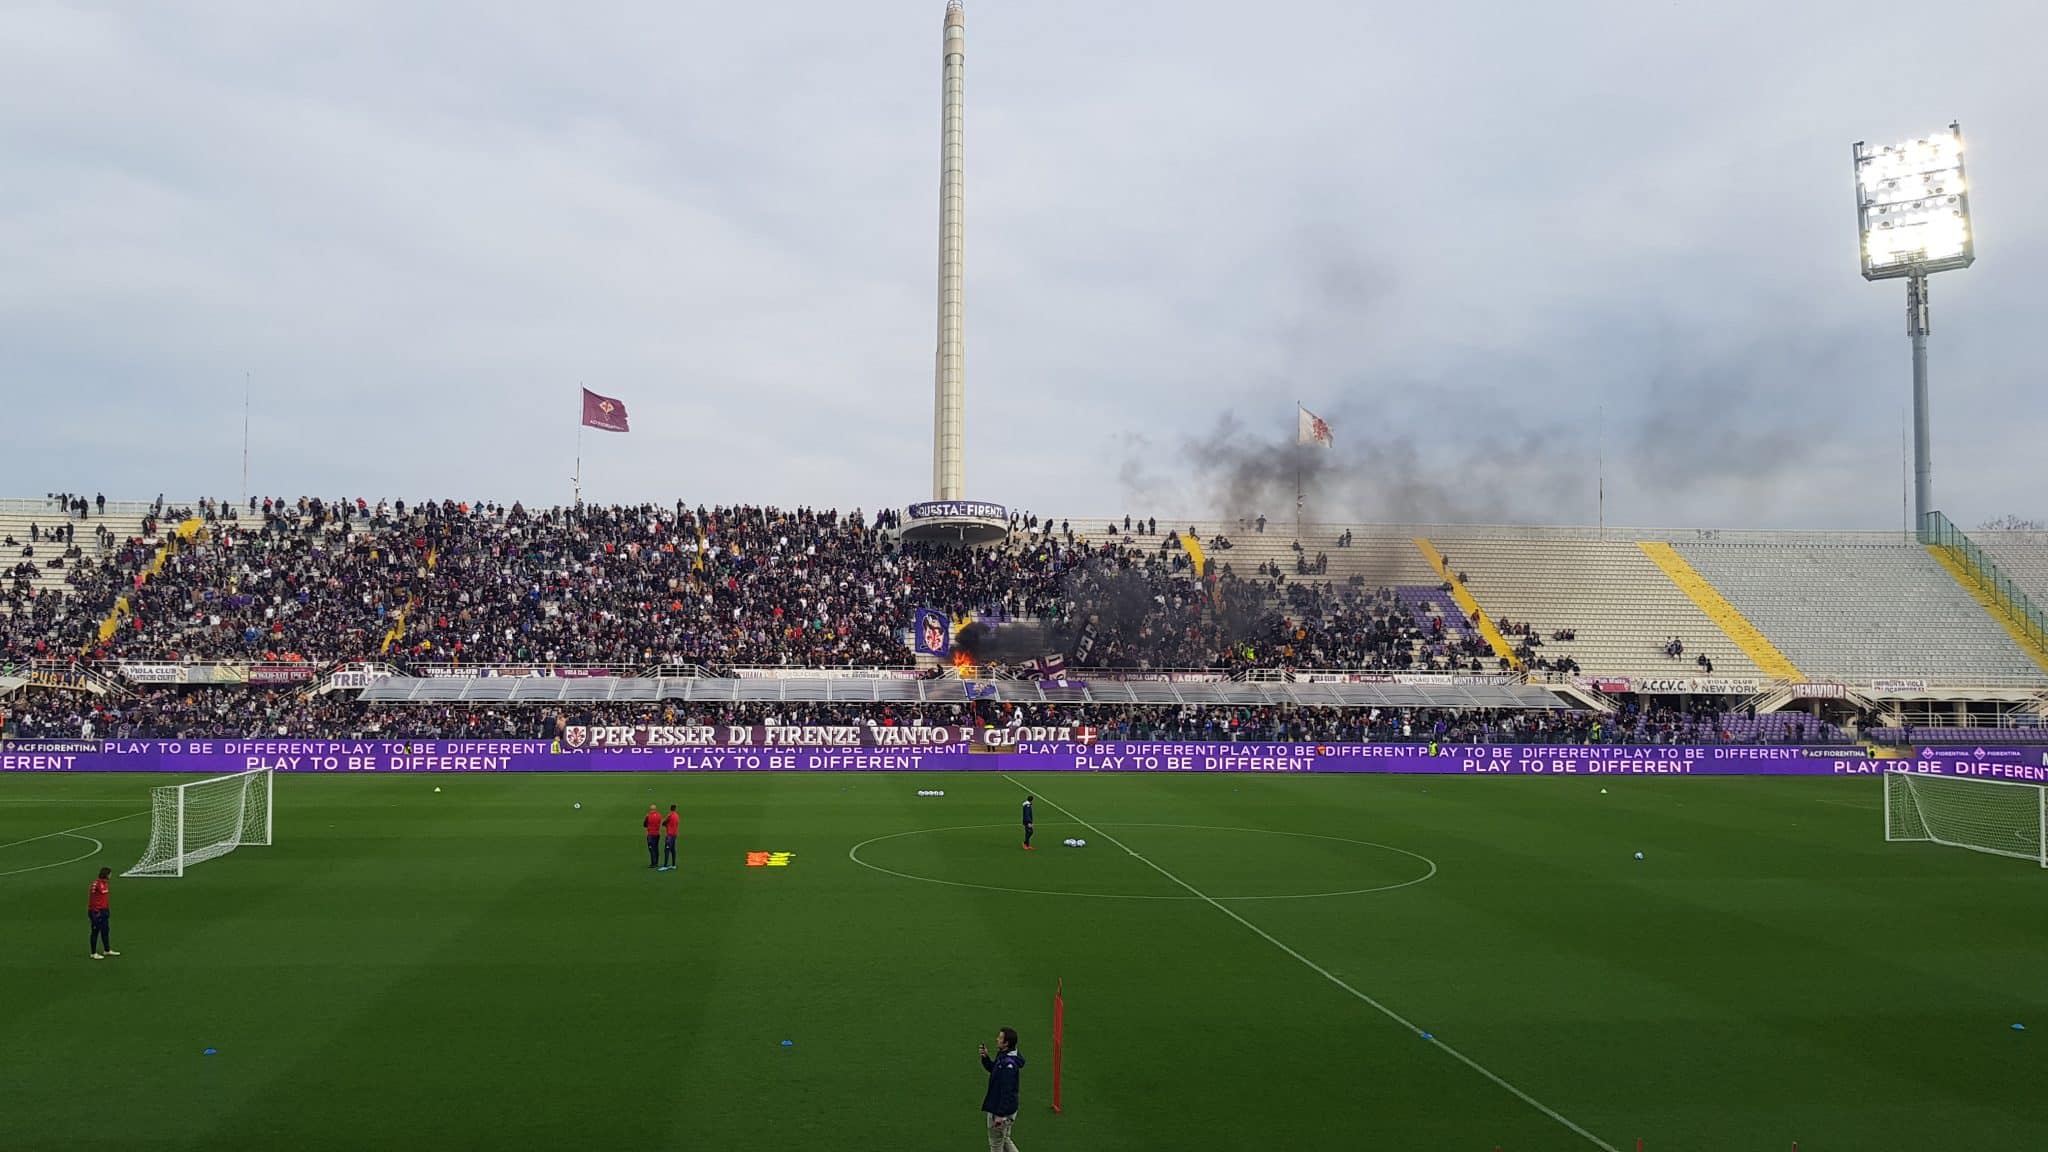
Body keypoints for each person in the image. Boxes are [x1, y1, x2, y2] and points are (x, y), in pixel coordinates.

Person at [979, 1027, 1025, 1152]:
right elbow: (995, 1070)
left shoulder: (1007, 1065)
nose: (997, 1039)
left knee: (996, 1145)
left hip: (1000, 1111)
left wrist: (1000, 1115)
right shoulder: (1007, 1056)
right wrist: (986, 1058)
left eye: (1000, 1038)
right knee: (1004, 1139)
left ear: (1006, 1043)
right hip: (1007, 1109)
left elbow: (1007, 1092)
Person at [88, 867, 118, 960]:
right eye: (110, 874)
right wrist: (95, 912)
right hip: (96, 912)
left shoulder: (104, 883)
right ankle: (93, 953)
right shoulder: (97, 884)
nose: (111, 876)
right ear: (106, 874)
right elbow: (93, 898)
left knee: (105, 931)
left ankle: (107, 950)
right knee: (95, 932)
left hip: (104, 911)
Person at [663, 804, 680, 870]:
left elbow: (664, 822)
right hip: (674, 834)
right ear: (675, 809)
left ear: (670, 809)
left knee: (667, 849)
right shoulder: (677, 815)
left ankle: (665, 866)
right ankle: (673, 865)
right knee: (673, 850)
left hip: (669, 834)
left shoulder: (670, 815)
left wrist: (666, 825)